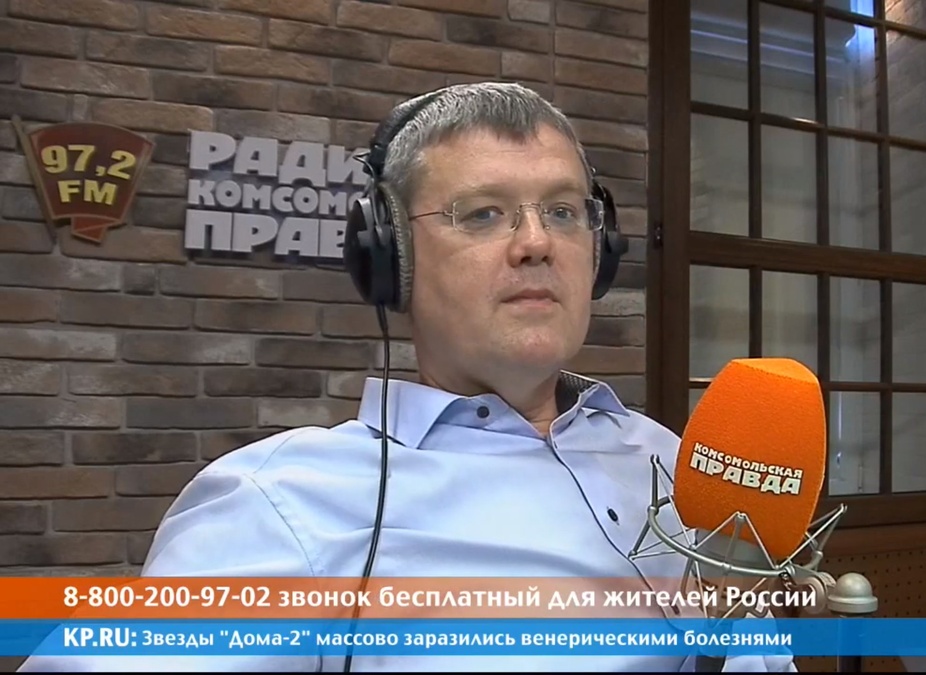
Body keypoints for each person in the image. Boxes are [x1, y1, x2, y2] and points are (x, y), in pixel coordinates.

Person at [19, 82, 798, 672]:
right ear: (390, 257)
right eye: (483, 213)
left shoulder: (674, 459)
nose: (536, 242)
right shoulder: (284, 506)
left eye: (563, 212)